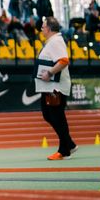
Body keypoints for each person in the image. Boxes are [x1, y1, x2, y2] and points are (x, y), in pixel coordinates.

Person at [35, 16, 77, 161]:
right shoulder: (52, 42)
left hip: (55, 88)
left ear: (49, 28)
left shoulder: (56, 41)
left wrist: (50, 72)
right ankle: (69, 144)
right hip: (50, 87)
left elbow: (64, 61)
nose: (41, 28)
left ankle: (65, 149)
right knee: (49, 115)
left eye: (43, 26)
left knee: (56, 116)